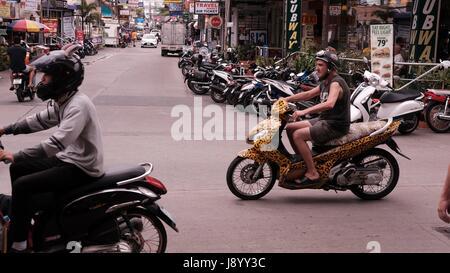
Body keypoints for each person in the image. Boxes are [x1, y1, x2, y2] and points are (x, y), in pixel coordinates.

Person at [0, 44, 104, 252]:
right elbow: (38, 121)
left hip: (82, 167)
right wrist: (5, 129)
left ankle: (19, 243)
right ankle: (25, 214)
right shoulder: (64, 100)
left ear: (61, 79)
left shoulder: (78, 105)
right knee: (17, 169)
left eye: (46, 76)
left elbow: (55, 144)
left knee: (22, 184)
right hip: (70, 158)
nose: (42, 80)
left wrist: (15, 155)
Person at [284, 49, 350, 187]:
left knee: (297, 135)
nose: (317, 68)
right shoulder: (326, 82)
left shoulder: (336, 83)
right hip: (324, 120)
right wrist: (285, 99)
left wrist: (303, 112)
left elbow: (330, 104)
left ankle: (313, 172)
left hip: (334, 125)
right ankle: (304, 162)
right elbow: (307, 95)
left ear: (330, 68)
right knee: (290, 128)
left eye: (320, 65)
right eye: (317, 64)